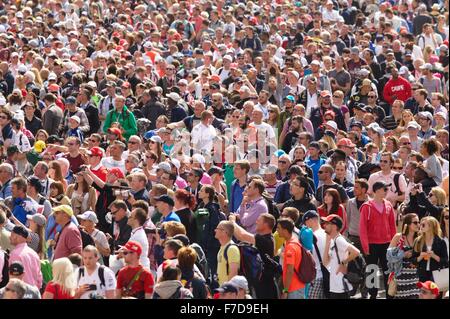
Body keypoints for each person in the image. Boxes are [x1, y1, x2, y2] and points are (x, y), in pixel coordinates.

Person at [360, 181, 397, 299]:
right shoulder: (367, 207)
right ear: (376, 191)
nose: (386, 191)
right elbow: (362, 228)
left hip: (387, 244)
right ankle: (373, 295)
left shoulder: (388, 205)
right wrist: (365, 246)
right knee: (372, 270)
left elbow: (392, 226)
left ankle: (389, 294)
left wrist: (394, 244)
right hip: (372, 244)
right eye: (384, 189)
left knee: (388, 270)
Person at [229, 213, 278, 299]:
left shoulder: (266, 240)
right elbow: (238, 235)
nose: (256, 222)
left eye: (259, 220)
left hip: (266, 285)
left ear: (266, 224)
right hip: (260, 282)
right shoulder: (264, 238)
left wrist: (232, 221)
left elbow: (241, 236)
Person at [322, 214, 360, 299]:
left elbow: (356, 252)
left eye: (327, 223)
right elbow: (325, 263)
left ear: (334, 226)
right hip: (336, 286)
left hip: (341, 287)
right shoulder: (333, 240)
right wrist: (327, 242)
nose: (324, 225)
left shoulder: (339, 240)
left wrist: (343, 263)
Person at [387, 213, 420, 299]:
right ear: (408, 224)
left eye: (419, 222)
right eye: (415, 222)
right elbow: (389, 255)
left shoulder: (419, 238)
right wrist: (403, 254)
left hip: (416, 276)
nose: (418, 225)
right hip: (400, 276)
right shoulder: (399, 237)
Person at [413, 216, 448, 283]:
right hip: (422, 274)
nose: (421, 226)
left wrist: (434, 256)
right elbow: (413, 261)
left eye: (423, 225)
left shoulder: (440, 242)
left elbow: (445, 261)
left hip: (436, 274)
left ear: (431, 226)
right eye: (420, 224)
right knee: (424, 293)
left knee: (435, 293)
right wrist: (420, 257)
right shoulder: (418, 240)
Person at [277, 217, 305, 299]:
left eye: (278, 228)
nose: (277, 230)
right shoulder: (293, 240)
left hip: (293, 289)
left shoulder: (290, 247)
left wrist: (285, 291)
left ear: (285, 230)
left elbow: (290, 271)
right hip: (297, 286)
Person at [9, 226, 43, 290]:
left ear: (17, 237)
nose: (10, 237)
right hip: (34, 292)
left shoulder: (15, 254)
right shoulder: (34, 253)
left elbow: (13, 278)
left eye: (11, 235)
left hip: (20, 292)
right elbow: (39, 276)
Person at [215, 221, 240, 286]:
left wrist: (227, 290)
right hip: (222, 289)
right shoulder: (223, 247)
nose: (215, 230)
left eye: (217, 228)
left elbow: (234, 272)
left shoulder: (232, 249)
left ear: (224, 232)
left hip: (228, 292)